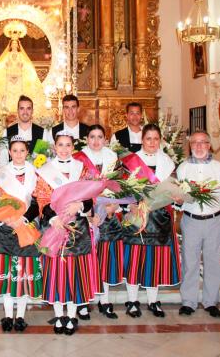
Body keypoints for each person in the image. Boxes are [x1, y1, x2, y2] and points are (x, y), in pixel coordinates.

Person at [35, 131, 99, 335]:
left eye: (67, 145)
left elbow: (92, 196)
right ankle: (59, 314)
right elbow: (42, 200)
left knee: (75, 272)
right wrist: (54, 219)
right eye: (60, 145)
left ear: (73, 148)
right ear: (55, 147)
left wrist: (80, 205)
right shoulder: (45, 170)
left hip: (78, 228)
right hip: (56, 227)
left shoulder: (82, 170)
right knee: (56, 271)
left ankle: (71, 316)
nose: (63, 149)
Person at [0, 136, 41, 333]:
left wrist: (23, 219)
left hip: (26, 226)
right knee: (7, 275)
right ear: (9, 152)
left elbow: (38, 201)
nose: (18, 154)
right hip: (4, 227)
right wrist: (7, 219)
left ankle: (21, 316)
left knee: (22, 273)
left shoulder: (35, 173)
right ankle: (7, 315)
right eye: (14, 151)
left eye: (22, 151)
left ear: (27, 152)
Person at [121, 124, 181, 318]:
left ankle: (153, 301)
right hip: (138, 216)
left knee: (154, 261)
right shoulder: (131, 161)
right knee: (135, 260)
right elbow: (122, 190)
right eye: (148, 139)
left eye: (156, 139)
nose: (152, 143)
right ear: (142, 140)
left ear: (160, 140)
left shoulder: (168, 163)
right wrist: (131, 205)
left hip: (159, 217)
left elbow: (174, 189)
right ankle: (132, 301)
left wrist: (177, 196)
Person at [177, 130, 220, 318]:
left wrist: (213, 211)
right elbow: (178, 197)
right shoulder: (183, 168)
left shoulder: (218, 167)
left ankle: (210, 301)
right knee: (190, 262)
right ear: (190, 146)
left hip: (214, 222)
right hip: (191, 221)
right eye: (195, 143)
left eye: (203, 142)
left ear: (209, 145)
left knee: (212, 262)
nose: (199, 146)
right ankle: (188, 302)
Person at [74, 124, 121, 319]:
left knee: (105, 259)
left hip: (107, 215)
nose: (95, 141)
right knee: (85, 259)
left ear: (105, 139)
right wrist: (89, 213)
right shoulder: (78, 158)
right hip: (86, 216)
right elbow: (75, 189)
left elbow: (120, 185)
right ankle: (83, 302)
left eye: (99, 137)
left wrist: (114, 206)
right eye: (92, 137)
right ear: (86, 139)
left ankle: (104, 300)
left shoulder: (112, 157)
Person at [0, 95, 51, 166]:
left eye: (28, 108)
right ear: (18, 111)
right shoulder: (7, 132)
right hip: (12, 175)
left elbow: (45, 158)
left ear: (32, 111)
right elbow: (3, 159)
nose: (25, 112)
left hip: (35, 175)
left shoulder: (42, 132)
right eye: (22, 108)